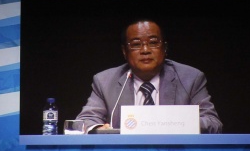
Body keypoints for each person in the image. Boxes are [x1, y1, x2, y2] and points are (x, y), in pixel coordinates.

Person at [75, 18, 222, 134]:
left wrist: (177, 123)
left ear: (165, 48)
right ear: (125, 52)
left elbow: (213, 123)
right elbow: (84, 121)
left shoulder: (191, 78)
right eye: (136, 44)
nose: (145, 50)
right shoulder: (105, 81)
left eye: (153, 42)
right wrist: (99, 129)